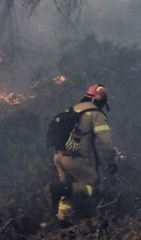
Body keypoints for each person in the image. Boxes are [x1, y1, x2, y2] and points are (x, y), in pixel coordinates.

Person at [51, 83, 119, 223]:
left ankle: (63, 220)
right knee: (93, 184)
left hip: (58, 155)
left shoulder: (75, 109)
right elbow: (105, 141)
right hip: (73, 159)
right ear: (100, 100)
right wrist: (112, 159)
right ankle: (56, 189)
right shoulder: (96, 114)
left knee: (69, 191)